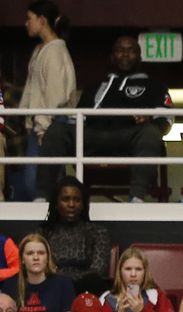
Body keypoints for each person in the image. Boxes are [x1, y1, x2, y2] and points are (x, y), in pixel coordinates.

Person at [40, 41, 168, 206]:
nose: (125, 55)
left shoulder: (155, 86)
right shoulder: (94, 85)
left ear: (139, 57)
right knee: (57, 129)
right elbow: (79, 116)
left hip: (129, 138)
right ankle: (42, 196)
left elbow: (166, 119)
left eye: (131, 51)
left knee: (150, 132)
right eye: (120, 50)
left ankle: (137, 198)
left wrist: (150, 118)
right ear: (112, 56)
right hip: (94, 136)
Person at [14, 2, 73, 202]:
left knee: (40, 182)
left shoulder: (54, 51)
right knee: (36, 182)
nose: (26, 23)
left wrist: (43, 128)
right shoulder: (41, 49)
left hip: (50, 124)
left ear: (42, 20)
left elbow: (55, 95)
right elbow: (32, 91)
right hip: (39, 123)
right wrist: (24, 117)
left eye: (29, 18)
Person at [40, 179, 111, 293]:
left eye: (77, 200)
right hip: (53, 287)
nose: (71, 204)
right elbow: (39, 267)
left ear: (83, 204)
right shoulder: (44, 233)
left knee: (94, 280)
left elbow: (98, 270)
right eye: (65, 199)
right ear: (56, 204)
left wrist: (67, 280)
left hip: (87, 289)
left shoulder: (97, 232)